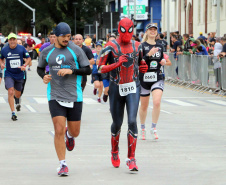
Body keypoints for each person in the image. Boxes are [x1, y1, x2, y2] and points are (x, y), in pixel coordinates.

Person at [37, 22, 91, 176]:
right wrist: (44, 76)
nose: (67, 39)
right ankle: (62, 164)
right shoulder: (47, 51)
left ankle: (70, 136)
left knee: (75, 131)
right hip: (54, 94)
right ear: (56, 37)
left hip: (74, 95)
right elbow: (40, 68)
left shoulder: (76, 50)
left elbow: (87, 69)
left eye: (69, 36)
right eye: (64, 37)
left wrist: (71, 70)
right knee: (58, 129)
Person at [98, 18, 148, 171]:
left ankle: (131, 158)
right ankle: (114, 152)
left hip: (133, 87)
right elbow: (100, 68)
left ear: (133, 30)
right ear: (119, 29)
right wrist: (116, 64)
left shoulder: (138, 46)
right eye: (124, 30)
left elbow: (141, 63)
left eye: (130, 30)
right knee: (117, 123)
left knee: (132, 121)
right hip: (116, 87)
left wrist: (143, 67)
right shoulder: (110, 46)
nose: (127, 33)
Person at [139, 23, 171, 140]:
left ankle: (153, 127)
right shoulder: (141, 46)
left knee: (156, 102)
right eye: (150, 29)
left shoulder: (161, 45)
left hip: (157, 77)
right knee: (144, 106)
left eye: (154, 30)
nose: (153, 31)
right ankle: (142, 128)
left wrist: (164, 62)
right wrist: (148, 55)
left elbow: (166, 60)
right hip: (144, 78)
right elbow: (139, 62)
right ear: (146, 32)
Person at [0, 33, 31, 120]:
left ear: (15, 40)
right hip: (9, 74)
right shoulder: (4, 49)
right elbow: (1, 58)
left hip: (19, 74)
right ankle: (13, 112)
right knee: (10, 91)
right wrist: (2, 64)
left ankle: (17, 99)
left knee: (17, 94)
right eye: (11, 40)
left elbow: (28, 58)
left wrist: (24, 65)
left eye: (14, 39)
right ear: (8, 41)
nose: (12, 41)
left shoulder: (21, 49)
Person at [100, 34, 116, 102]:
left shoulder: (118, 51)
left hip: (115, 73)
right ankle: (105, 94)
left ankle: (112, 106)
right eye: (110, 41)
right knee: (107, 89)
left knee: (114, 92)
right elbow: (99, 61)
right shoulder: (105, 50)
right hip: (106, 73)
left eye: (113, 41)